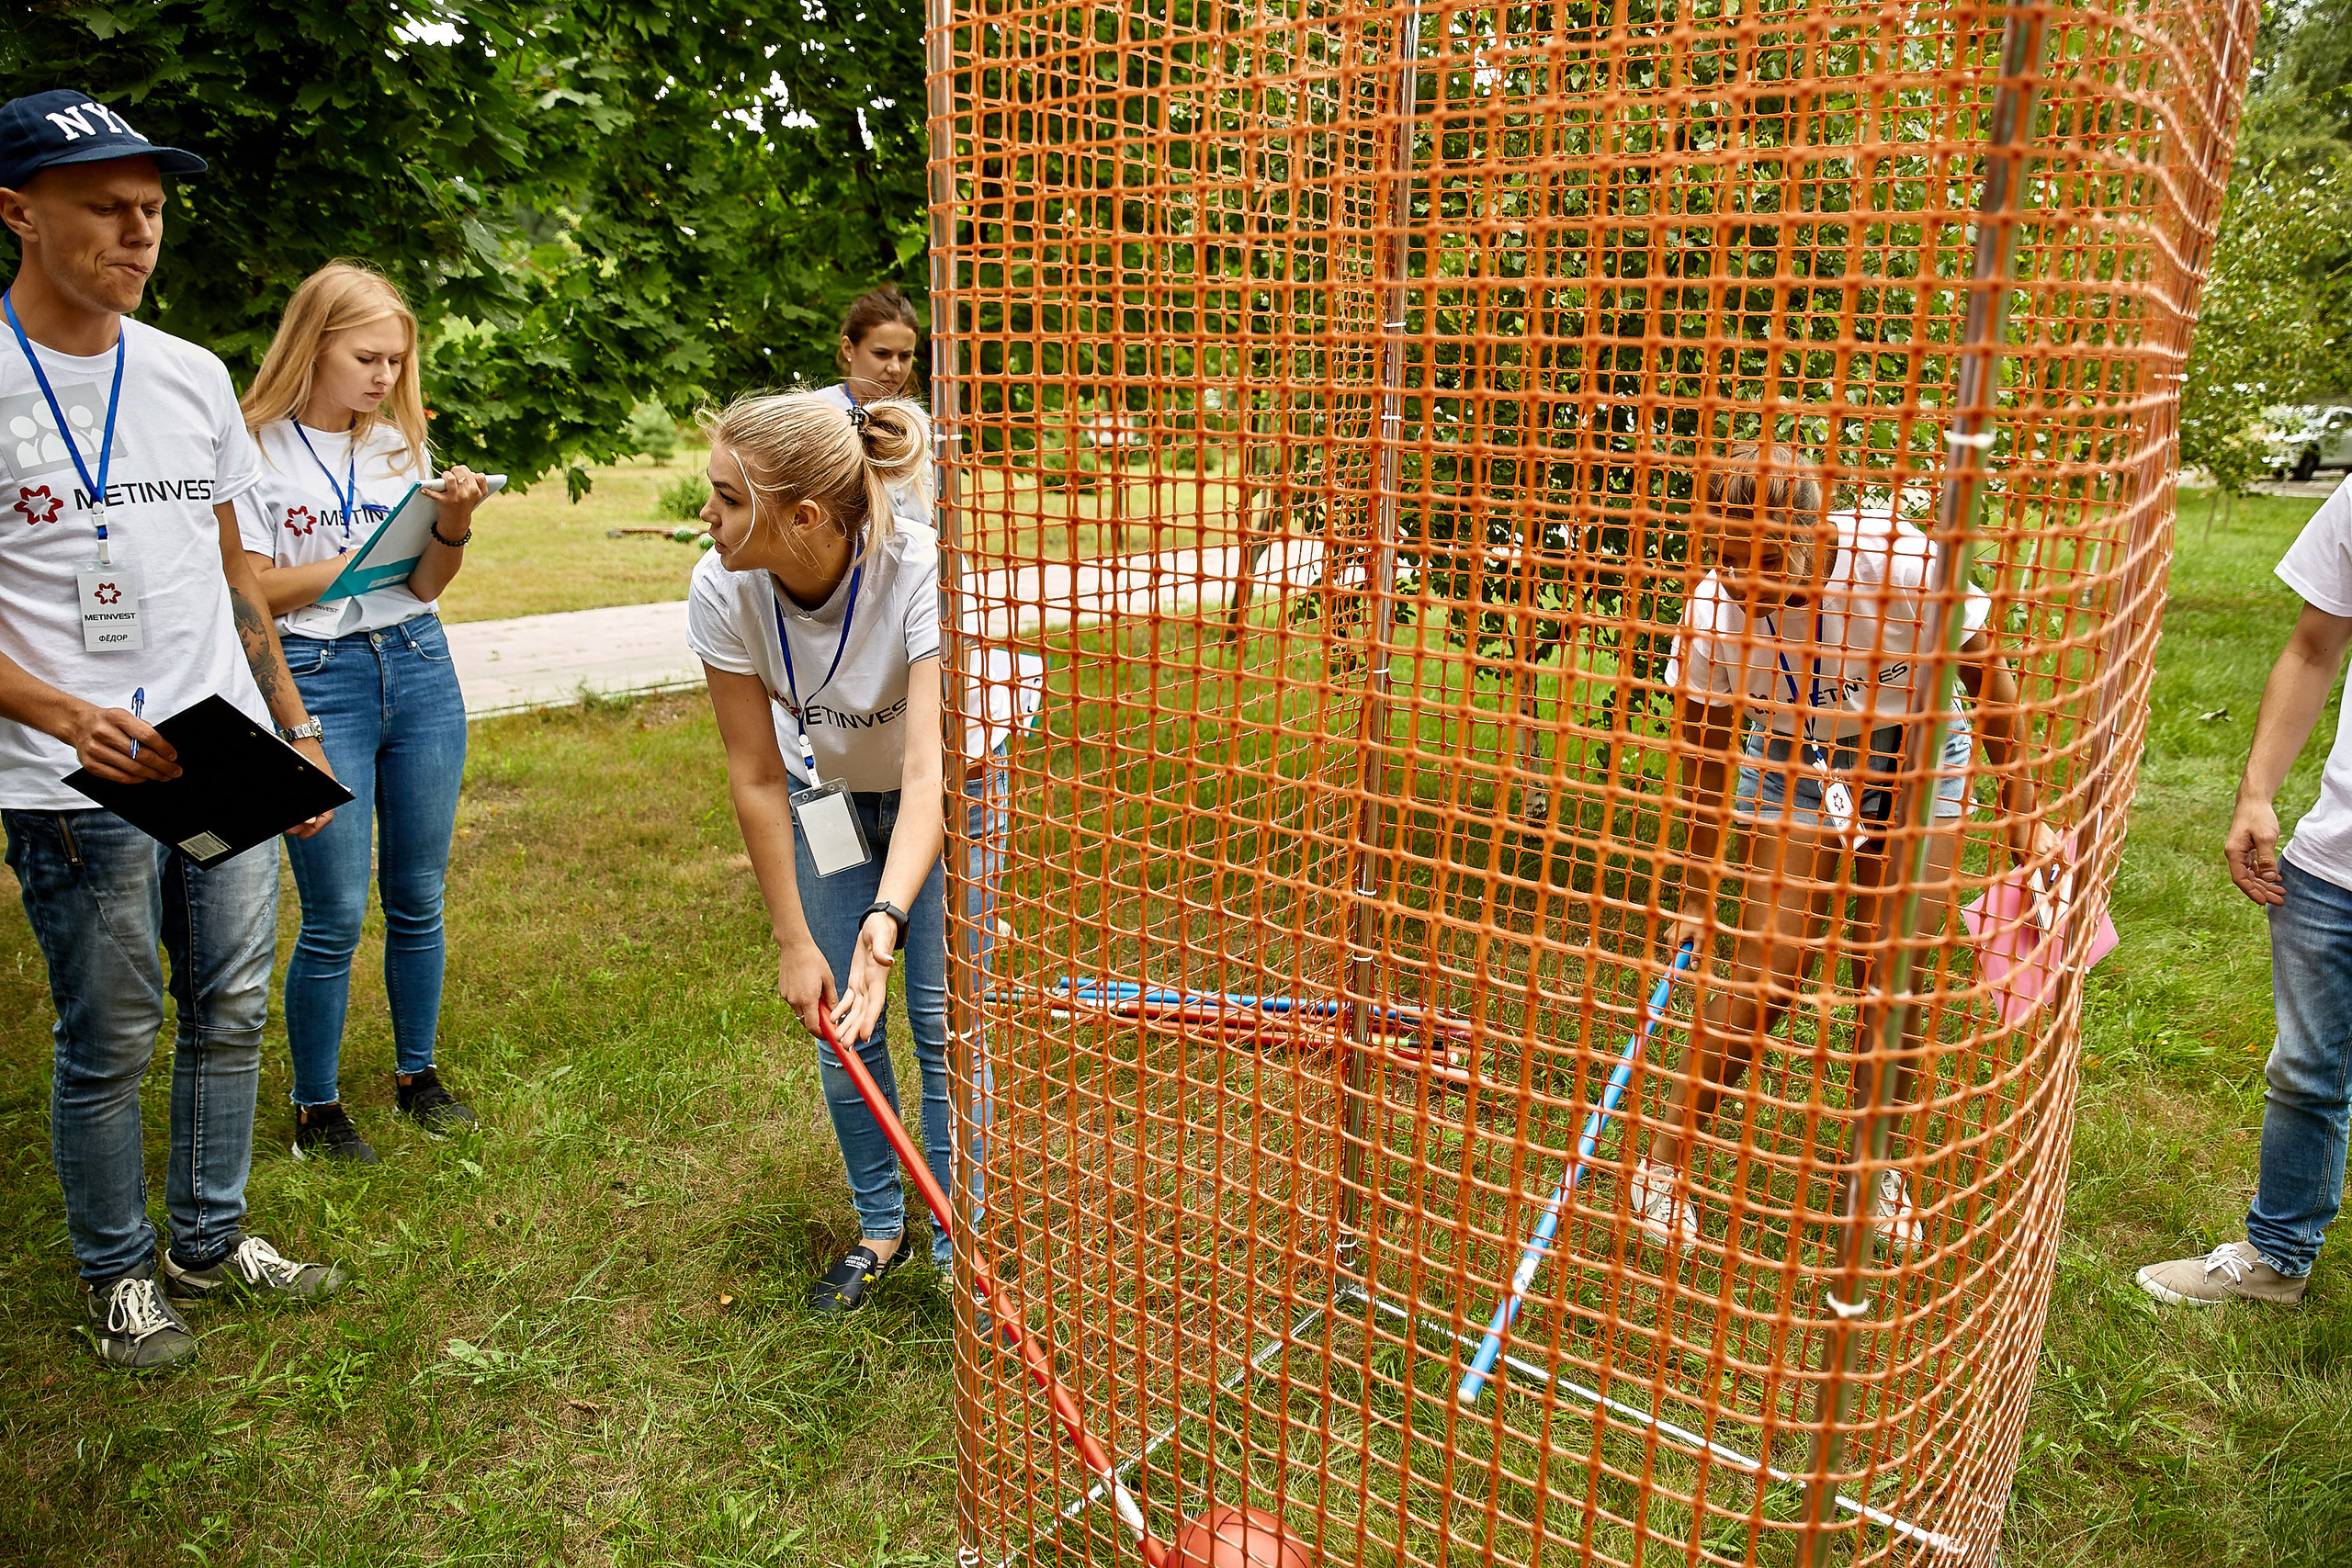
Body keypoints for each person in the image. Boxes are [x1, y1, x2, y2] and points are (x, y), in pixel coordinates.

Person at [0, 88, 345, 1369]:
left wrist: (292, 725)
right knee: (112, 1033)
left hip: (207, 736)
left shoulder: (191, 373)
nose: (138, 235)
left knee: (233, 1005)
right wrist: (53, 708)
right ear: (16, 210)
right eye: (106, 209)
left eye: (150, 211)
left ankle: (208, 1235)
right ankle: (115, 1272)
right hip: (69, 766)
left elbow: (234, 574)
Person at [1637, 444, 2051, 1252]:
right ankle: (1664, 1165)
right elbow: (1706, 759)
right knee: (1770, 971)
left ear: (1820, 537)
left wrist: (2024, 815)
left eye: (1761, 559)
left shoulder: (1899, 562)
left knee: (1892, 968)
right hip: (1796, 763)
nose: (1740, 580)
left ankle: (1873, 1171)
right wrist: (1695, 890)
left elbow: (1985, 676)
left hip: (1920, 754)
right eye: (1722, 557)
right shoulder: (1712, 617)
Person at [687, 388, 967, 1311]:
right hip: (831, 793)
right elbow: (758, 774)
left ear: (802, 516)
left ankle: (959, 1238)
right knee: (842, 1023)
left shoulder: (919, 567)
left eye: (727, 498)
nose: (707, 517)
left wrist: (884, 919)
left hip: (954, 788)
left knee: (941, 1022)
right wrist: (795, 940)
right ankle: (882, 1227)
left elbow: (929, 771)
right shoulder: (719, 587)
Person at [233, 264, 491, 1164]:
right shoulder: (253, 446)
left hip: (419, 664)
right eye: (367, 357)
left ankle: (417, 1076)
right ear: (315, 344)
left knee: (418, 895)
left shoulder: (397, 448)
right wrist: (351, 565)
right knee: (335, 911)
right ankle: (318, 1106)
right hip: (315, 675)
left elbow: (423, 579)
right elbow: (251, 591)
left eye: (396, 360)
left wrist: (450, 522)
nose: (385, 376)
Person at [2137, 478, 2352, 1305]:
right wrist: (2256, 790)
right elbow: (2311, 646)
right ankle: (2278, 1258)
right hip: (2335, 863)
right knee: (2305, 1070)